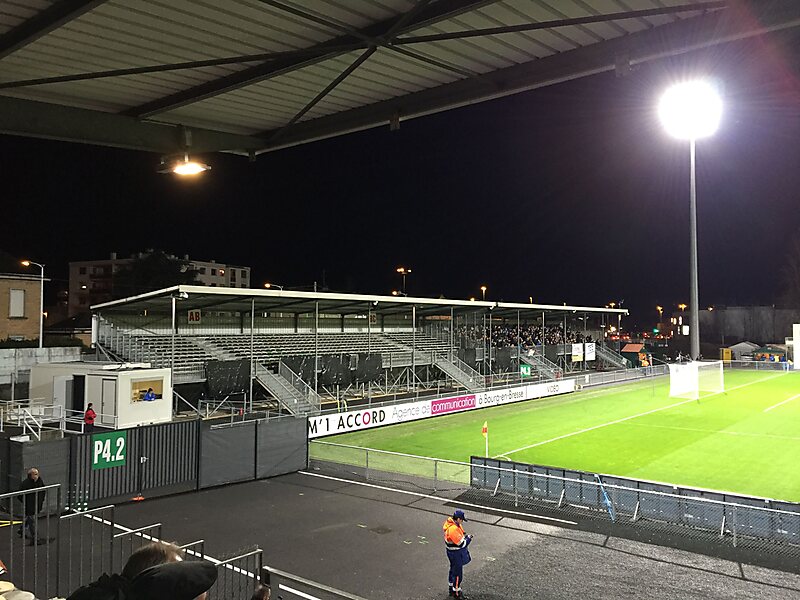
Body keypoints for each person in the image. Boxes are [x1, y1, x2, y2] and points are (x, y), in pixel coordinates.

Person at [443, 509, 472, 599]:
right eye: (462, 520)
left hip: (451, 552)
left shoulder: (452, 524)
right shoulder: (453, 529)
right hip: (455, 553)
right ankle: (457, 592)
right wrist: (468, 539)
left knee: (453, 569)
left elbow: (461, 533)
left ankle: (451, 588)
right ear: (458, 519)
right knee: (458, 573)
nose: (462, 521)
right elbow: (461, 544)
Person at [17, 468, 45, 545]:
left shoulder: (40, 481)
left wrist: (41, 501)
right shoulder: (25, 484)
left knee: (29, 519)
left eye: (37, 474)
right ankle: (36, 538)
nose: (37, 476)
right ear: (30, 475)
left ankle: (21, 529)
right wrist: (26, 503)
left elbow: (43, 492)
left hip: (37, 504)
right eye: (35, 474)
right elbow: (19, 495)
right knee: (32, 521)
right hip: (30, 506)